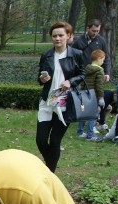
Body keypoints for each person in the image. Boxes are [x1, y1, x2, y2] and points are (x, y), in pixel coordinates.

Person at [36, 21, 85, 172]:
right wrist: (41, 79)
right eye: (54, 36)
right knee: (41, 140)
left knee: (55, 141)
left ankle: (50, 173)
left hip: (65, 103)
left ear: (69, 36)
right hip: (47, 102)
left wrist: (71, 81)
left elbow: (83, 74)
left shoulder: (76, 55)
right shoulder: (47, 55)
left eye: (61, 35)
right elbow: (39, 77)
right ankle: (50, 166)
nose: (57, 38)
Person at [76, 49, 106, 141]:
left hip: (84, 93)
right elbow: (99, 85)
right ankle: (90, 134)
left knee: (83, 113)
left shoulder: (87, 68)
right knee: (92, 115)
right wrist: (101, 97)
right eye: (103, 60)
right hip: (93, 95)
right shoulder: (99, 70)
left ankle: (80, 132)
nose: (103, 62)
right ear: (99, 58)